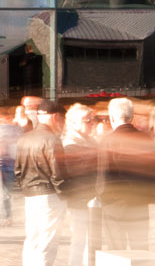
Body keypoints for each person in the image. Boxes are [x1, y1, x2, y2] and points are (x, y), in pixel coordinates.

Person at [99, 97, 155, 250]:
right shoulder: (145, 139)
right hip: (139, 204)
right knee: (140, 251)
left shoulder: (108, 141)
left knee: (116, 252)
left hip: (115, 206)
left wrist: (105, 199)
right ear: (132, 116)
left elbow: (103, 177)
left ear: (112, 117)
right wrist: (149, 196)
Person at [15, 100, 67, 266]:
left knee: (33, 238)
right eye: (62, 119)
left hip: (30, 194)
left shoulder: (24, 138)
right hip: (49, 194)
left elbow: (18, 169)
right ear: (56, 117)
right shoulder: (52, 139)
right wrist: (64, 193)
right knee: (48, 241)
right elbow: (58, 172)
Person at [59, 104, 102, 266]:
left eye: (93, 120)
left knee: (90, 239)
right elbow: (78, 170)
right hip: (79, 198)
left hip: (91, 197)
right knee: (80, 239)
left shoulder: (90, 141)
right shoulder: (70, 143)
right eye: (87, 121)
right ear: (73, 123)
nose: (92, 123)